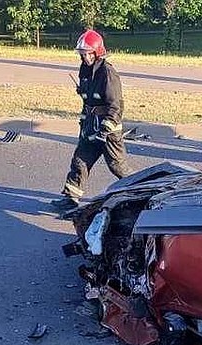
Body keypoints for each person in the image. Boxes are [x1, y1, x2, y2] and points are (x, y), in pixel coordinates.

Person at [50, 29, 129, 213]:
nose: (85, 57)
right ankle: (71, 198)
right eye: (82, 54)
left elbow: (116, 105)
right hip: (90, 125)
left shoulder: (108, 73)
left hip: (107, 130)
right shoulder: (84, 69)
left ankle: (143, 192)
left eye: (87, 54)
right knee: (80, 161)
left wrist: (106, 128)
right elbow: (88, 100)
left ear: (97, 52)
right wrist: (85, 122)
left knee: (118, 167)